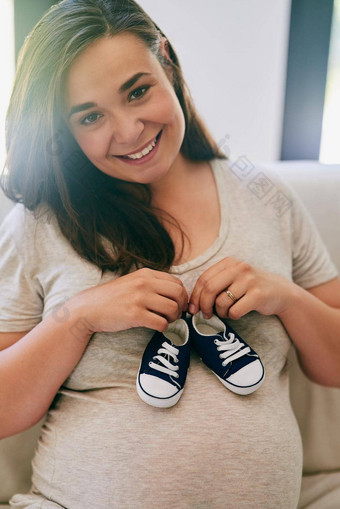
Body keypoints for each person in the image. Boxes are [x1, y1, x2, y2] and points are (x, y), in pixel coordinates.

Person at [0, 0, 340, 507]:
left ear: (168, 63)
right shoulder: (40, 223)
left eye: (137, 91)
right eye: (91, 116)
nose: (129, 131)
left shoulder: (265, 196)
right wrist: (77, 319)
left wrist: (286, 297)